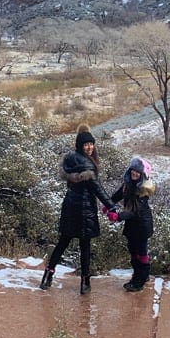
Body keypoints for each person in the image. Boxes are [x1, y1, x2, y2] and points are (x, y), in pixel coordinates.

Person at [39, 124, 117, 294]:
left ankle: (47, 276)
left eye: (91, 144)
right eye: (86, 145)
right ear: (80, 145)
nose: (89, 147)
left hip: (69, 206)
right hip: (84, 209)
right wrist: (112, 206)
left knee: (62, 242)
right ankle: (85, 282)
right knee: (85, 246)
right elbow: (98, 189)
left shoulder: (70, 159)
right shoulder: (87, 166)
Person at [107, 155, 155, 292]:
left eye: (138, 172)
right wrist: (108, 204)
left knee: (140, 251)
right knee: (133, 250)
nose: (135, 173)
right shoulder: (128, 184)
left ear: (142, 174)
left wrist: (117, 216)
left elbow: (134, 211)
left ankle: (139, 280)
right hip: (132, 224)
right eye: (133, 170)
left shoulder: (143, 190)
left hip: (141, 225)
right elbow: (117, 195)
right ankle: (141, 274)